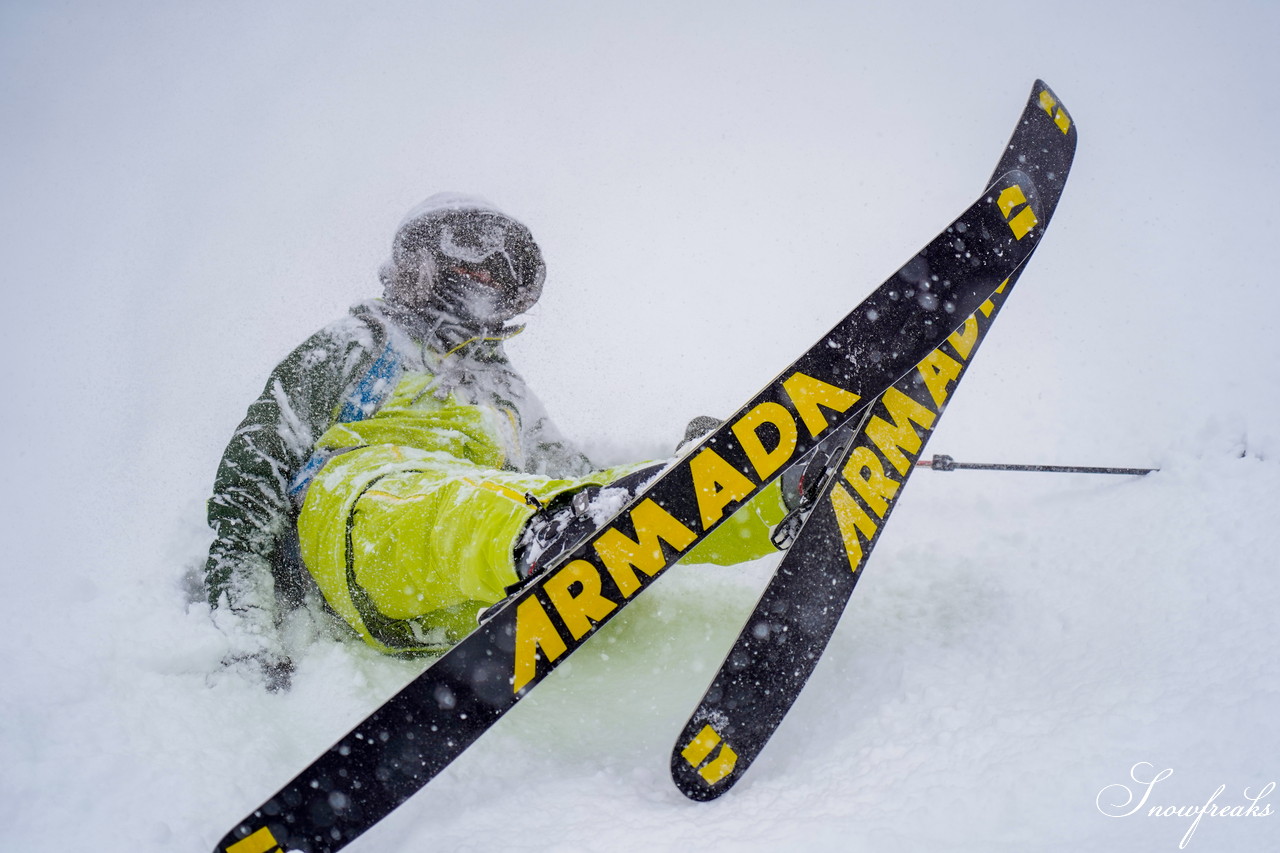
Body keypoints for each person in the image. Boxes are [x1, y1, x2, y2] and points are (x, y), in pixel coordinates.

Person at [202, 193, 791, 691]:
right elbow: (252, 478)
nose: (484, 275)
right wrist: (249, 628)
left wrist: (680, 468)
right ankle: (544, 539)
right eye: (469, 255)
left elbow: (577, 481)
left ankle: (766, 496)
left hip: (453, 595)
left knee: (588, 504)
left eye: (500, 270)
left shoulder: (506, 390)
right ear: (421, 259)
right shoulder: (360, 340)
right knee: (446, 498)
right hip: (359, 522)